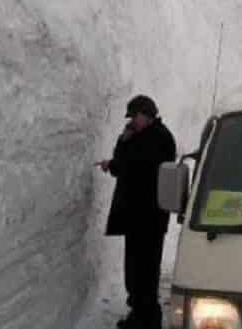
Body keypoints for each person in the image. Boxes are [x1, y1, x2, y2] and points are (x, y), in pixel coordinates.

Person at [95, 95, 176, 329]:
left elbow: (130, 167)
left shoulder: (158, 138)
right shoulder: (146, 136)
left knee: (145, 272)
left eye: (134, 117)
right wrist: (124, 142)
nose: (132, 122)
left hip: (148, 217)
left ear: (145, 114)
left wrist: (118, 154)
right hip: (139, 217)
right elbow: (125, 163)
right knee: (136, 270)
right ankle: (140, 314)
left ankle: (147, 319)